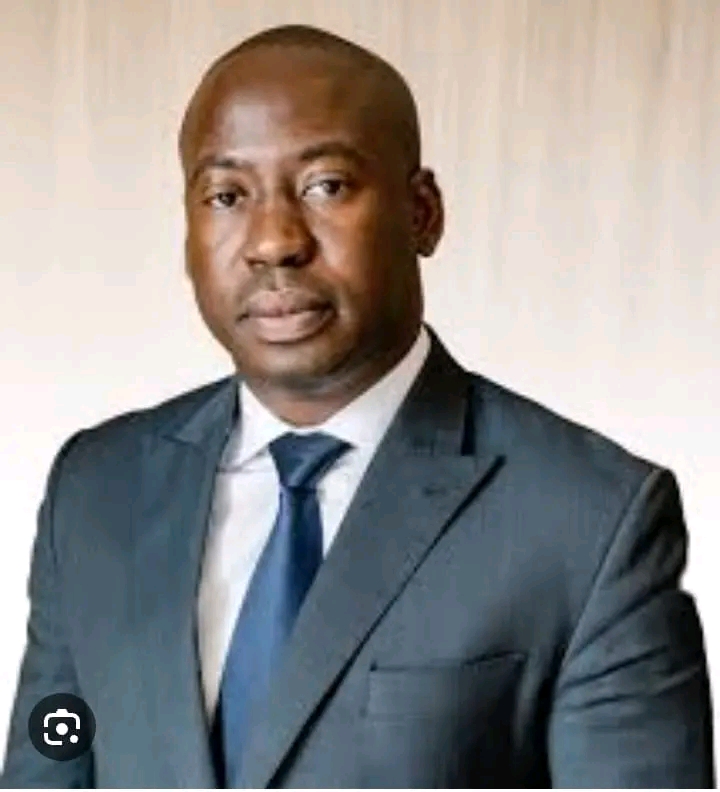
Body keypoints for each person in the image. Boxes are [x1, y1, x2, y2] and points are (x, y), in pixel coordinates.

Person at [0, 23, 714, 789]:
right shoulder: (96, 490)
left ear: (422, 212)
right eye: (227, 196)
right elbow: (52, 757)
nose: (273, 241)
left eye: (326, 186)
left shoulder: (591, 520)